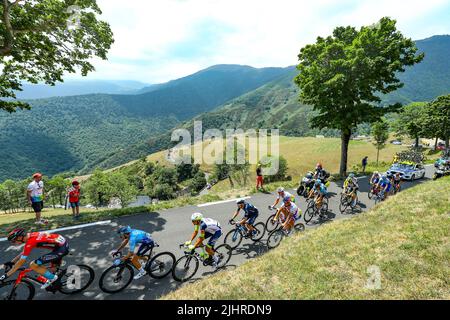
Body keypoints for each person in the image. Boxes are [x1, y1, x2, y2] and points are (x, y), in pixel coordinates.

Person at [0, 228, 69, 289]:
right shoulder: (30, 235)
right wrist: (12, 262)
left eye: (14, 241)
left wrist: (6, 275)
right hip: (60, 245)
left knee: (33, 265)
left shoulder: (30, 242)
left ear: (20, 237)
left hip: (61, 249)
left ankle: (52, 278)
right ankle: (57, 283)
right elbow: (25, 252)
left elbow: (21, 262)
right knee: (53, 270)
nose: (13, 243)